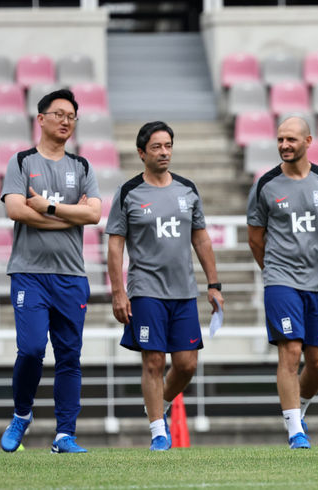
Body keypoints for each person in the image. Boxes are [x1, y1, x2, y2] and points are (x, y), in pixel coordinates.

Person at [106, 121, 224, 451]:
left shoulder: (187, 190)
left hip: (184, 290)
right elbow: (115, 245)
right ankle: (159, 431)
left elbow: (200, 238)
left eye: (168, 145)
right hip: (146, 289)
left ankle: (158, 403)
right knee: (154, 361)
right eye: (157, 147)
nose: (164, 152)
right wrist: (118, 292)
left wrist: (214, 284)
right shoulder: (128, 192)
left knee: (186, 364)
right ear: (142, 153)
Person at [0, 89, 102, 453]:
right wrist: (66, 218)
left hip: (72, 276)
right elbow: (15, 209)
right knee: (30, 349)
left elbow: (93, 215)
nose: (65, 121)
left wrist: (48, 209)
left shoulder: (83, 166)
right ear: (40, 119)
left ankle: (64, 435)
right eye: (59, 114)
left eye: (72, 116)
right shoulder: (22, 161)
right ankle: (22, 414)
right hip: (29, 272)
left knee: (69, 355)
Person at [247, 117, 318, 449]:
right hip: (280, 280)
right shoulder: (265, 185)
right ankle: (294, 431)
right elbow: (256, 239)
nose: (284, 145)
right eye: (280, 139)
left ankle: (298, 408)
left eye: (291, 139)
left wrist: (312, 258)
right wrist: (274, 271)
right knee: (290, 351)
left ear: (308, 141)